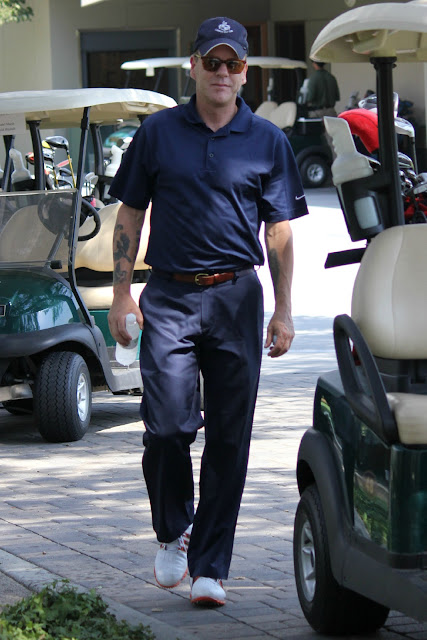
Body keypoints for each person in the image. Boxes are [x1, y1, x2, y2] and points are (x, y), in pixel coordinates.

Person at [107, 16, 308, 607]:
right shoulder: (159, 133)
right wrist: (122, 294)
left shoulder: (267, 139)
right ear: (192, 65)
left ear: (245, 72)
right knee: (168, 427)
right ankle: (174, 529)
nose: (223, 73)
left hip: (237, 298)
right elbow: (129, 215)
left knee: (229, 435)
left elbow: (280, 232)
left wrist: (285, 311)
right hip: (167, 296)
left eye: (234, 63)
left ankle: (210, 567)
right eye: (212, 62)